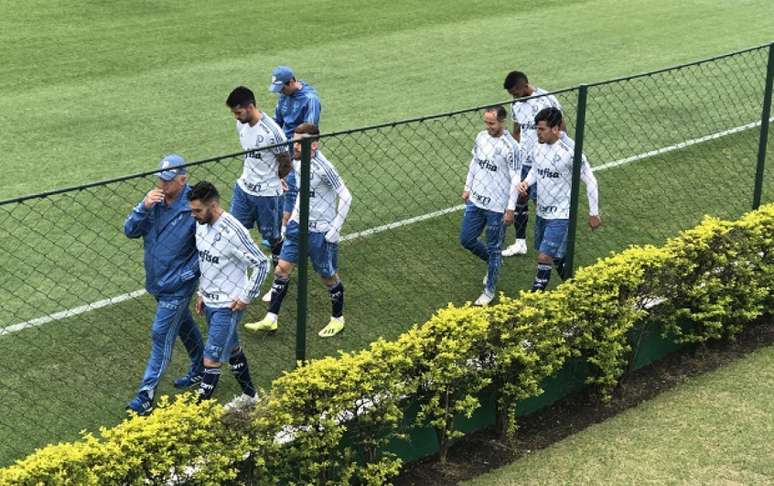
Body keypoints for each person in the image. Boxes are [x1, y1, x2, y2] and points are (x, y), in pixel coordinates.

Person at [245, 123, 352, 338]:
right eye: (293, 141)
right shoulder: (297, 161)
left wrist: (335, 230)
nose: (293, 146)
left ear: (313, 145)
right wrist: (289, 223)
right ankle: (271, 318)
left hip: (320, 231)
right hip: (297, 227)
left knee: (328, 277)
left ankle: (337, 319)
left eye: (298, 142)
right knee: (281, 269)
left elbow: (346, 196)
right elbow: (302, 193)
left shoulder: (324, 167)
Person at [123, 154, 204, 415]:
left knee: (161, 334)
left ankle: (145, 395)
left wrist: (186, 276)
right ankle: (202, 367)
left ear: (183, 180)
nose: (163, 184)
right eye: (161, 178)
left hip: (177, 285)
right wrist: (143, 207)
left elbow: (206, 248)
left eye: (169, 180)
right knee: (182, 324)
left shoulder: (194, 206)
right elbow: (130, 230)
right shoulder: (153, 201)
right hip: (157, 281)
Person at [187, 181, 268, 405]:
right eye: (192, 210)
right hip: (210, 301)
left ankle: (196, 413)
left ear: (212, 205)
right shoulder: (200, 225)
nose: (193, 215)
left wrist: (246, 296)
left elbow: (262, 263)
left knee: (211, 360)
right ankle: (251, 396)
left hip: (228, 306)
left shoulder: (233, 231)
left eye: (198, 210)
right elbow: (206, 262)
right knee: (232, 348)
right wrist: (202, 292)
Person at [518, 107, 601, 292]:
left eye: (541, 129)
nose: (537, 133)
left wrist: (594, 213)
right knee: (556, 257)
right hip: (542, 211)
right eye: (536, 129)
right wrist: (525, 182)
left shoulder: (571, 152)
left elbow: (590, 179)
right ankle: (580, 290)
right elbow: (535, 170)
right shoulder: (538, 145)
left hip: (561, 213)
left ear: (555, 129)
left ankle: (533, 300)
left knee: (544, 257)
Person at [460, 106, 521, 306]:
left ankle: (489, 290)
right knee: (467, 239)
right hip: (476, 200)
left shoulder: (511, 148)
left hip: (497, 207)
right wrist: (467, 187)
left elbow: (515, 179)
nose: (488, 127)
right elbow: (474, 163)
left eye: (492, 123)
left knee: (495, 248)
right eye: (486, 122)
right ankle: (494, 263)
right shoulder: (481, 137)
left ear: (502, 121)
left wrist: (510, 208)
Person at [225, 86, 291, 269]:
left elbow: (286, 163)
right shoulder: (241, 125)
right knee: (234, 231)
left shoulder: (272, 133)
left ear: (250, 106)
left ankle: (280, 273)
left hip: (267, 195)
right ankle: (238, 270)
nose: (236, 117)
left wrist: (276, 178)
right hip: (244, 189)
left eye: (238, 112)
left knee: (273, 238)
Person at [501, 71, 564, 257]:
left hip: (544, 161)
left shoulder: (546, 100)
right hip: (524, 162)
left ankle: (553, 240)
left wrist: (558, 152)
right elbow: (517, 130)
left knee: (542, 202)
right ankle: (520, 243)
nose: (513, 97)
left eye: (515, 93)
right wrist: (515, 152)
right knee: (521, 198)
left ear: (524, 86)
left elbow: (561, 128)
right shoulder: (516, 104)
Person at [268, 65, 322, 250]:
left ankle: (285, 235)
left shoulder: (310, 99)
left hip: (299, 152)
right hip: (283, 151)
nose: (280, 92)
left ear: (292, 82)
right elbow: (277, 122)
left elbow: (310, 131)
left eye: (282, 88)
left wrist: (296, 153)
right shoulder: (284, 96)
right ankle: (285, 231)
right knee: (281, 189)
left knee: (290, 191)